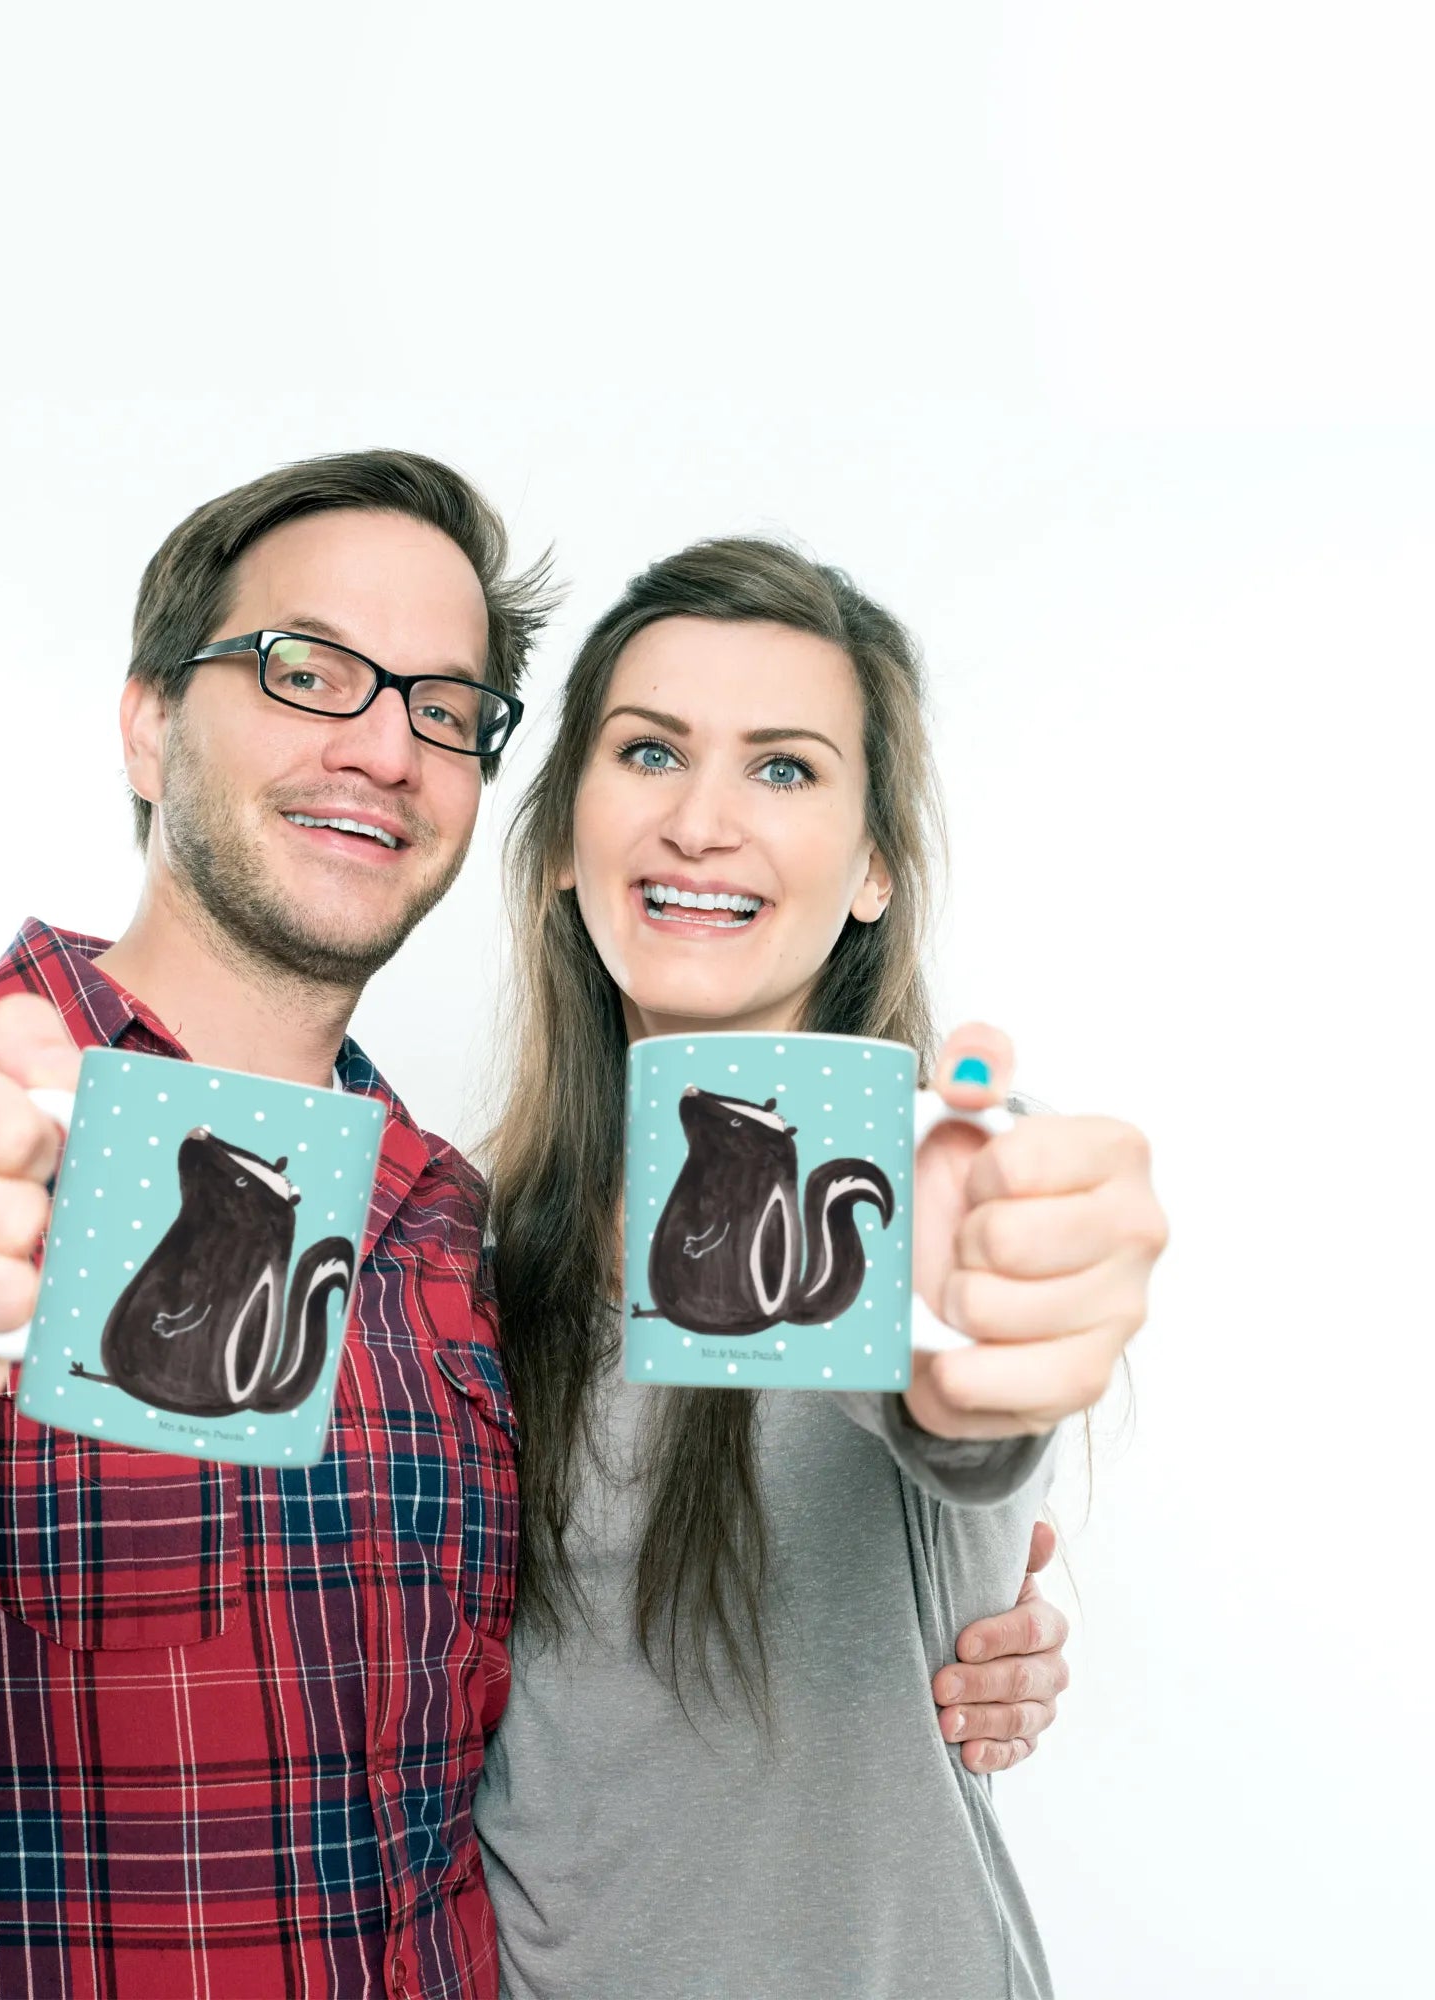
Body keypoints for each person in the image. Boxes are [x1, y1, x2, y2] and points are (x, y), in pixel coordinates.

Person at [0, 451, 1074, 1999]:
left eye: (442, 707)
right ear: (150, 720)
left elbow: (901, 1435)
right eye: (309, 670)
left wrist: (976, 1545)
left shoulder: (451, 1234)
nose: (383, 746)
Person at [473, 538, 1167, 1998]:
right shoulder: (464, 1246)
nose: (702, 822)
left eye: (783, 768)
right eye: (650, 752)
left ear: (872, 871)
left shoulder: (925, 1183)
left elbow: (958, 1408)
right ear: (561, 842)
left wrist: (993, 1348)